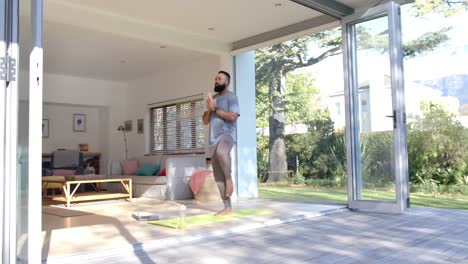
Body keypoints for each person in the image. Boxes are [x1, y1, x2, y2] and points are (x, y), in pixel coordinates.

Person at [202, 70, 240, 216]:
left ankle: (229, 179)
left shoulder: (232, 97)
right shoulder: (214, 99)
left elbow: (233, 117)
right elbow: (205, 121)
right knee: (218, 175)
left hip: (227, 135)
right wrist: (209, 109)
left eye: (219, 78)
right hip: (213, 139)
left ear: (227, 82)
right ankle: (227, 207)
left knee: (222, 152)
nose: (216, 80)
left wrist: (216, 109)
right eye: (215, 78)